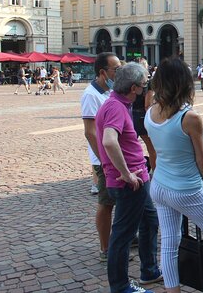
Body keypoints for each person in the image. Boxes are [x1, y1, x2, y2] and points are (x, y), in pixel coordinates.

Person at [145, 58, 203, 293]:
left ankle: (172, 290)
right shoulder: (189, 117)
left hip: (159, 185)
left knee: (169, 243)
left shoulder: (150, 112)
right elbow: (202, 159)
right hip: (185, 187)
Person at [96, 62, 161, 293]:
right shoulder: (115, 107)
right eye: (144, 85)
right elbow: (108, 141)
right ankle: (120, 286)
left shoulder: (118, 103)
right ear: (134, 88)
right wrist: (125, 174)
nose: (146, 88)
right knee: (122, 236)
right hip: (129, 183)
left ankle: (149, 269)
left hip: (136, 179)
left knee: (150, 220)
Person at [81, 52, 120, 261]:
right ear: (103, 72)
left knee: (118, 201)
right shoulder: (91, 95)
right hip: (103, 160)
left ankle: (120, 239)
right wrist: (105, 160)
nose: (119, 73)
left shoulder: (110, 92)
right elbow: (90, 132)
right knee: (106, 204)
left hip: (114, 156)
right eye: (116, 69)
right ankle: (106, 248)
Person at [132, 58, 157, 172]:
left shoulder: (130, 81)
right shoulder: (148, 82)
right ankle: (156, 173)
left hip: (131, 115)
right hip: (143, 116)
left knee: (129, 147)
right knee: (152, 148)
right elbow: (148, 104)